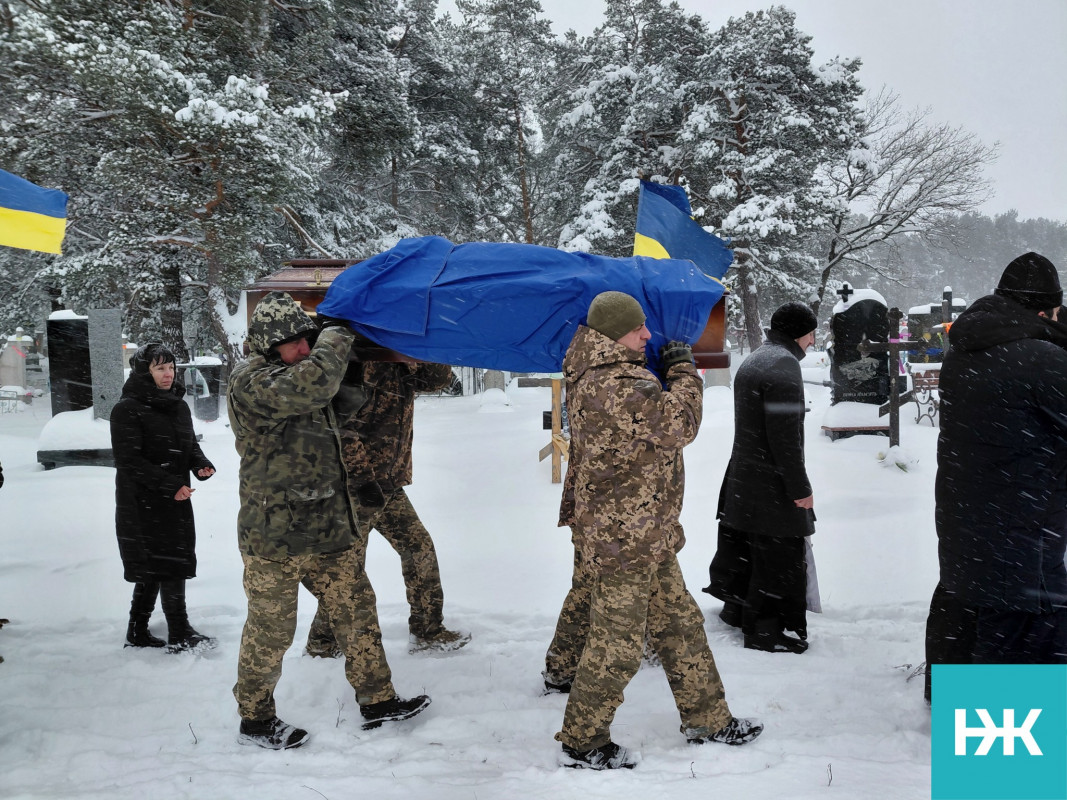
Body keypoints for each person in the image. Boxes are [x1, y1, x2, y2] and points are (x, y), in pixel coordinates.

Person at [554, 291, 762, 770]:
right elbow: (679, 425)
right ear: (612, 336)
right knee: (617, 643)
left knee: (680, 626)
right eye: (637, 329)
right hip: (625, 536)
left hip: (640, 529)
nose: (647, 335)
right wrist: (684, 370)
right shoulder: (620, 381)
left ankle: (708, 719)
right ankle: (583, 741)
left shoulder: (590, 369)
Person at [227, 291, 430, 750]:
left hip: (326, 529)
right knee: (271, 631)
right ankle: (255, 720)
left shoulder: (300, 375)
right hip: (274, 535)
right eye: (295, 343)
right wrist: (336, 331)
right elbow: (314, 386)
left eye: (307, 339)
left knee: (358, 612)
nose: (304, 348)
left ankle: (378, 701)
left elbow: (342, 401)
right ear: (267, 344)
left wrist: (354, 363)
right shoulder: (253, 380)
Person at [924, 252, 1067, 702]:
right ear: (1045, 308)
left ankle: (952, 698)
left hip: (970, 515)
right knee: (1018, 642)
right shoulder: (1039, 357)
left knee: (969, 607)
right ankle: (1005, 768)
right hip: (1024, 526)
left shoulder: (968, 348)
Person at [303, 359, 471, 657]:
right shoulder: (355, 361)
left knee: (419, 548)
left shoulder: (402, 365)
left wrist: (418, 357)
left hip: (389, 486)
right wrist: (363, 479)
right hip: (354, 488)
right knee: (346, 570)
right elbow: (340, 428)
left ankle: (427, 630)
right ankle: (323, 644)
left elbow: (439, 381)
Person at [706, 302, 817, 654]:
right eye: (812, 333)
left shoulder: (758, 357)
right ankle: (767, 631)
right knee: (777, 557)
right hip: (771, 482)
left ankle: (737, 609)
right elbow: (785, 438)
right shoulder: (784, 367)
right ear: (799, 333)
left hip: (744, 476)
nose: (814, 341)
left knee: (746, 549)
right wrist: (800, 489)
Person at [110, 343, 217, 653]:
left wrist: (199, 463)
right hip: (142, 502)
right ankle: (179, 629)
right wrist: (169, 485)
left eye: (171, 367)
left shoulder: (177, 404)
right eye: (160, 368)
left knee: (160, 563)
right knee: (164, 563)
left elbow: (187, 444)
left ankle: (137, 630)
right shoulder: (127, 409)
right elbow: (129, 460)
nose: (168, 373)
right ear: (145, 371)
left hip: (175, 497)